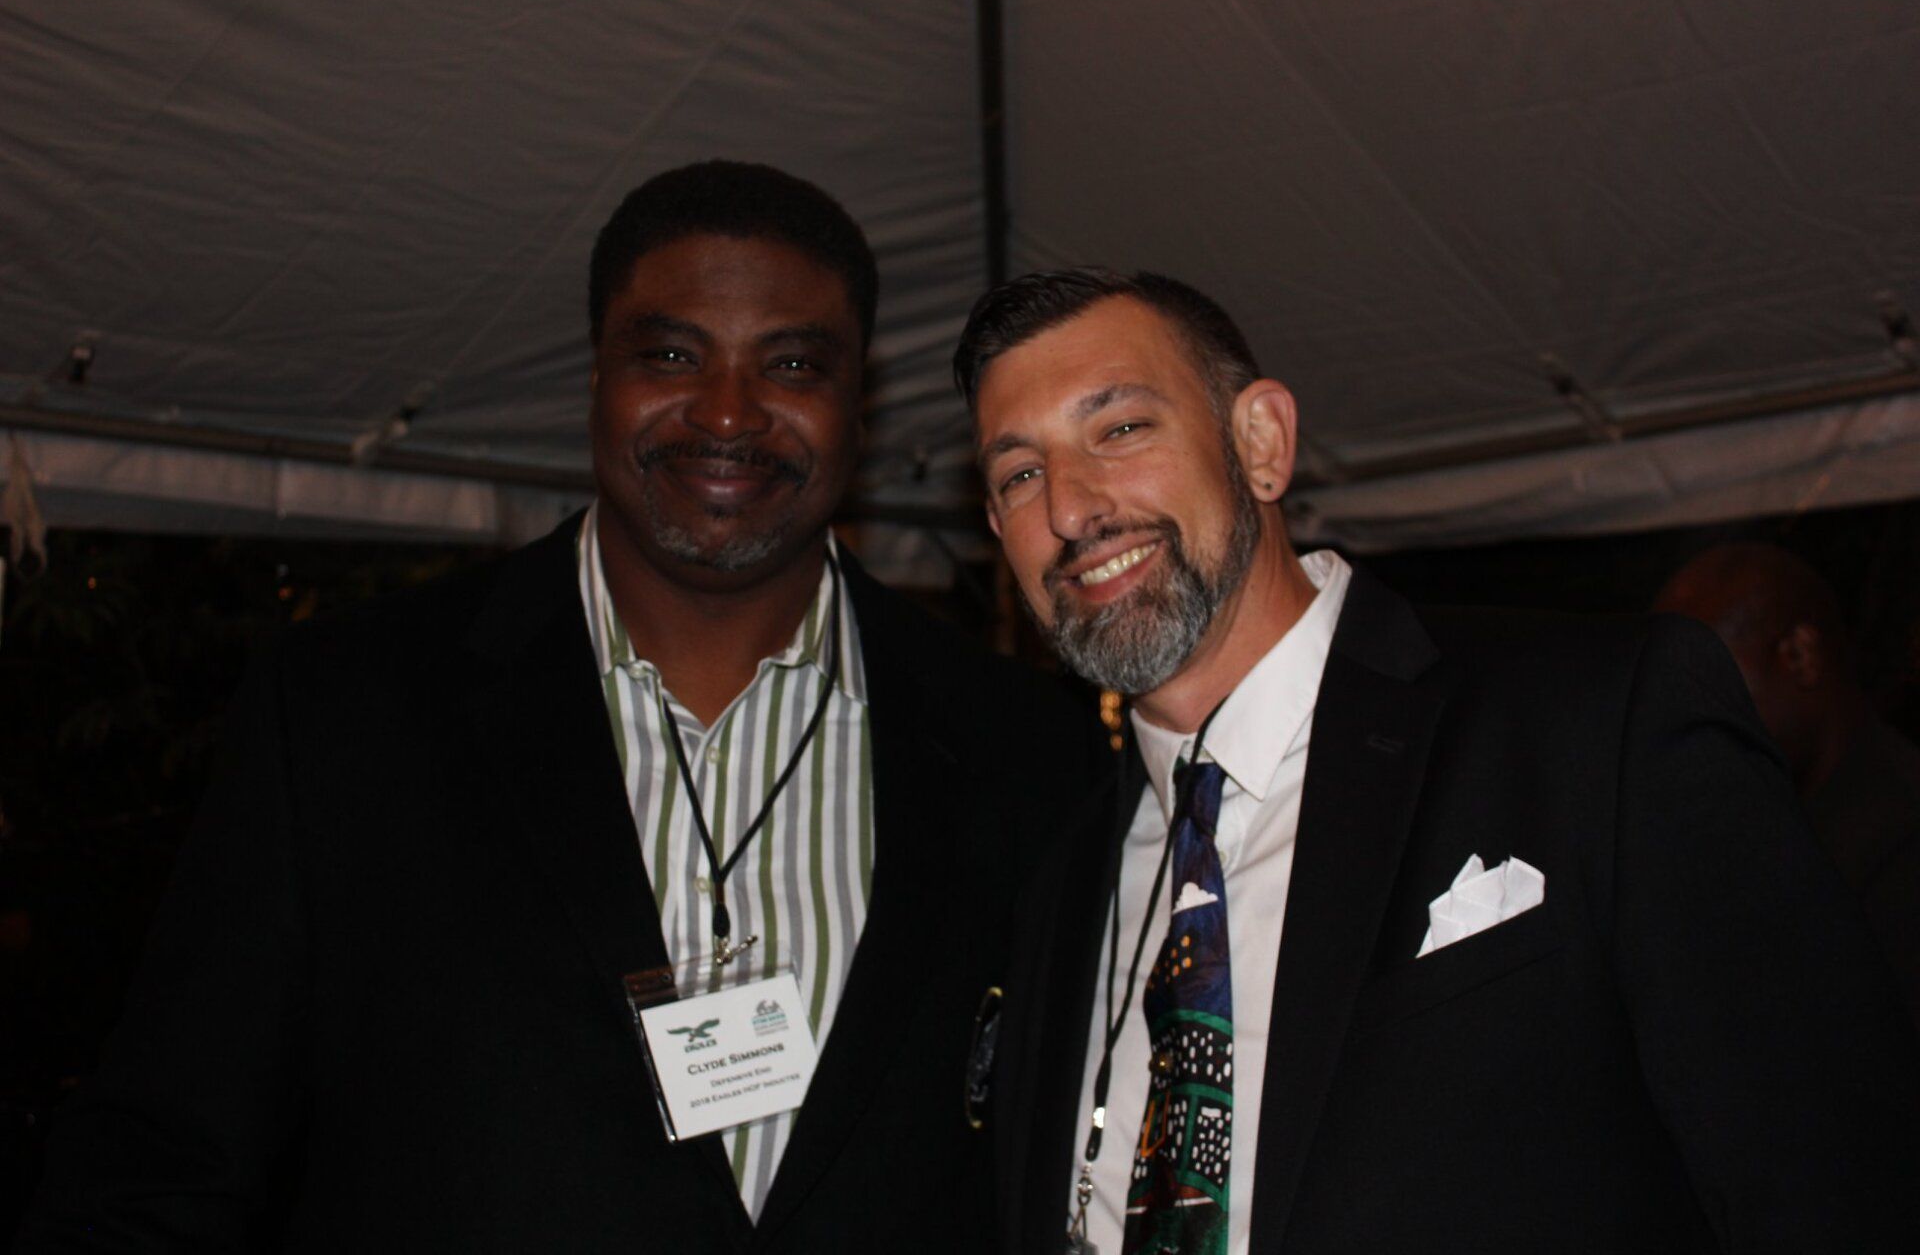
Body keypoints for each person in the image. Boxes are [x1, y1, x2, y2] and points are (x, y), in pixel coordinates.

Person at [20, 162, 1100, 1253]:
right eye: (671, 354)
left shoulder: (1025, 751)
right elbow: (162, 1165)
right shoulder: (351, 712)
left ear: (856, 403)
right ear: (597, 378)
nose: (728, 410)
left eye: (792, 363)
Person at [956, 267, 1920, 1254]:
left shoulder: (1592, 720)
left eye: (1120, 429)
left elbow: (1840, 1183)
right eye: (1019, 473)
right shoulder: (1058, 889)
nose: (1071, 506)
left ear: (1261, 443)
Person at [1655, 542, 1920, 1031]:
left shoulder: (1898, 838)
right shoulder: (1775, 834)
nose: (1692, 726)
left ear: (1799, 656)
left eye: (1710, 691)